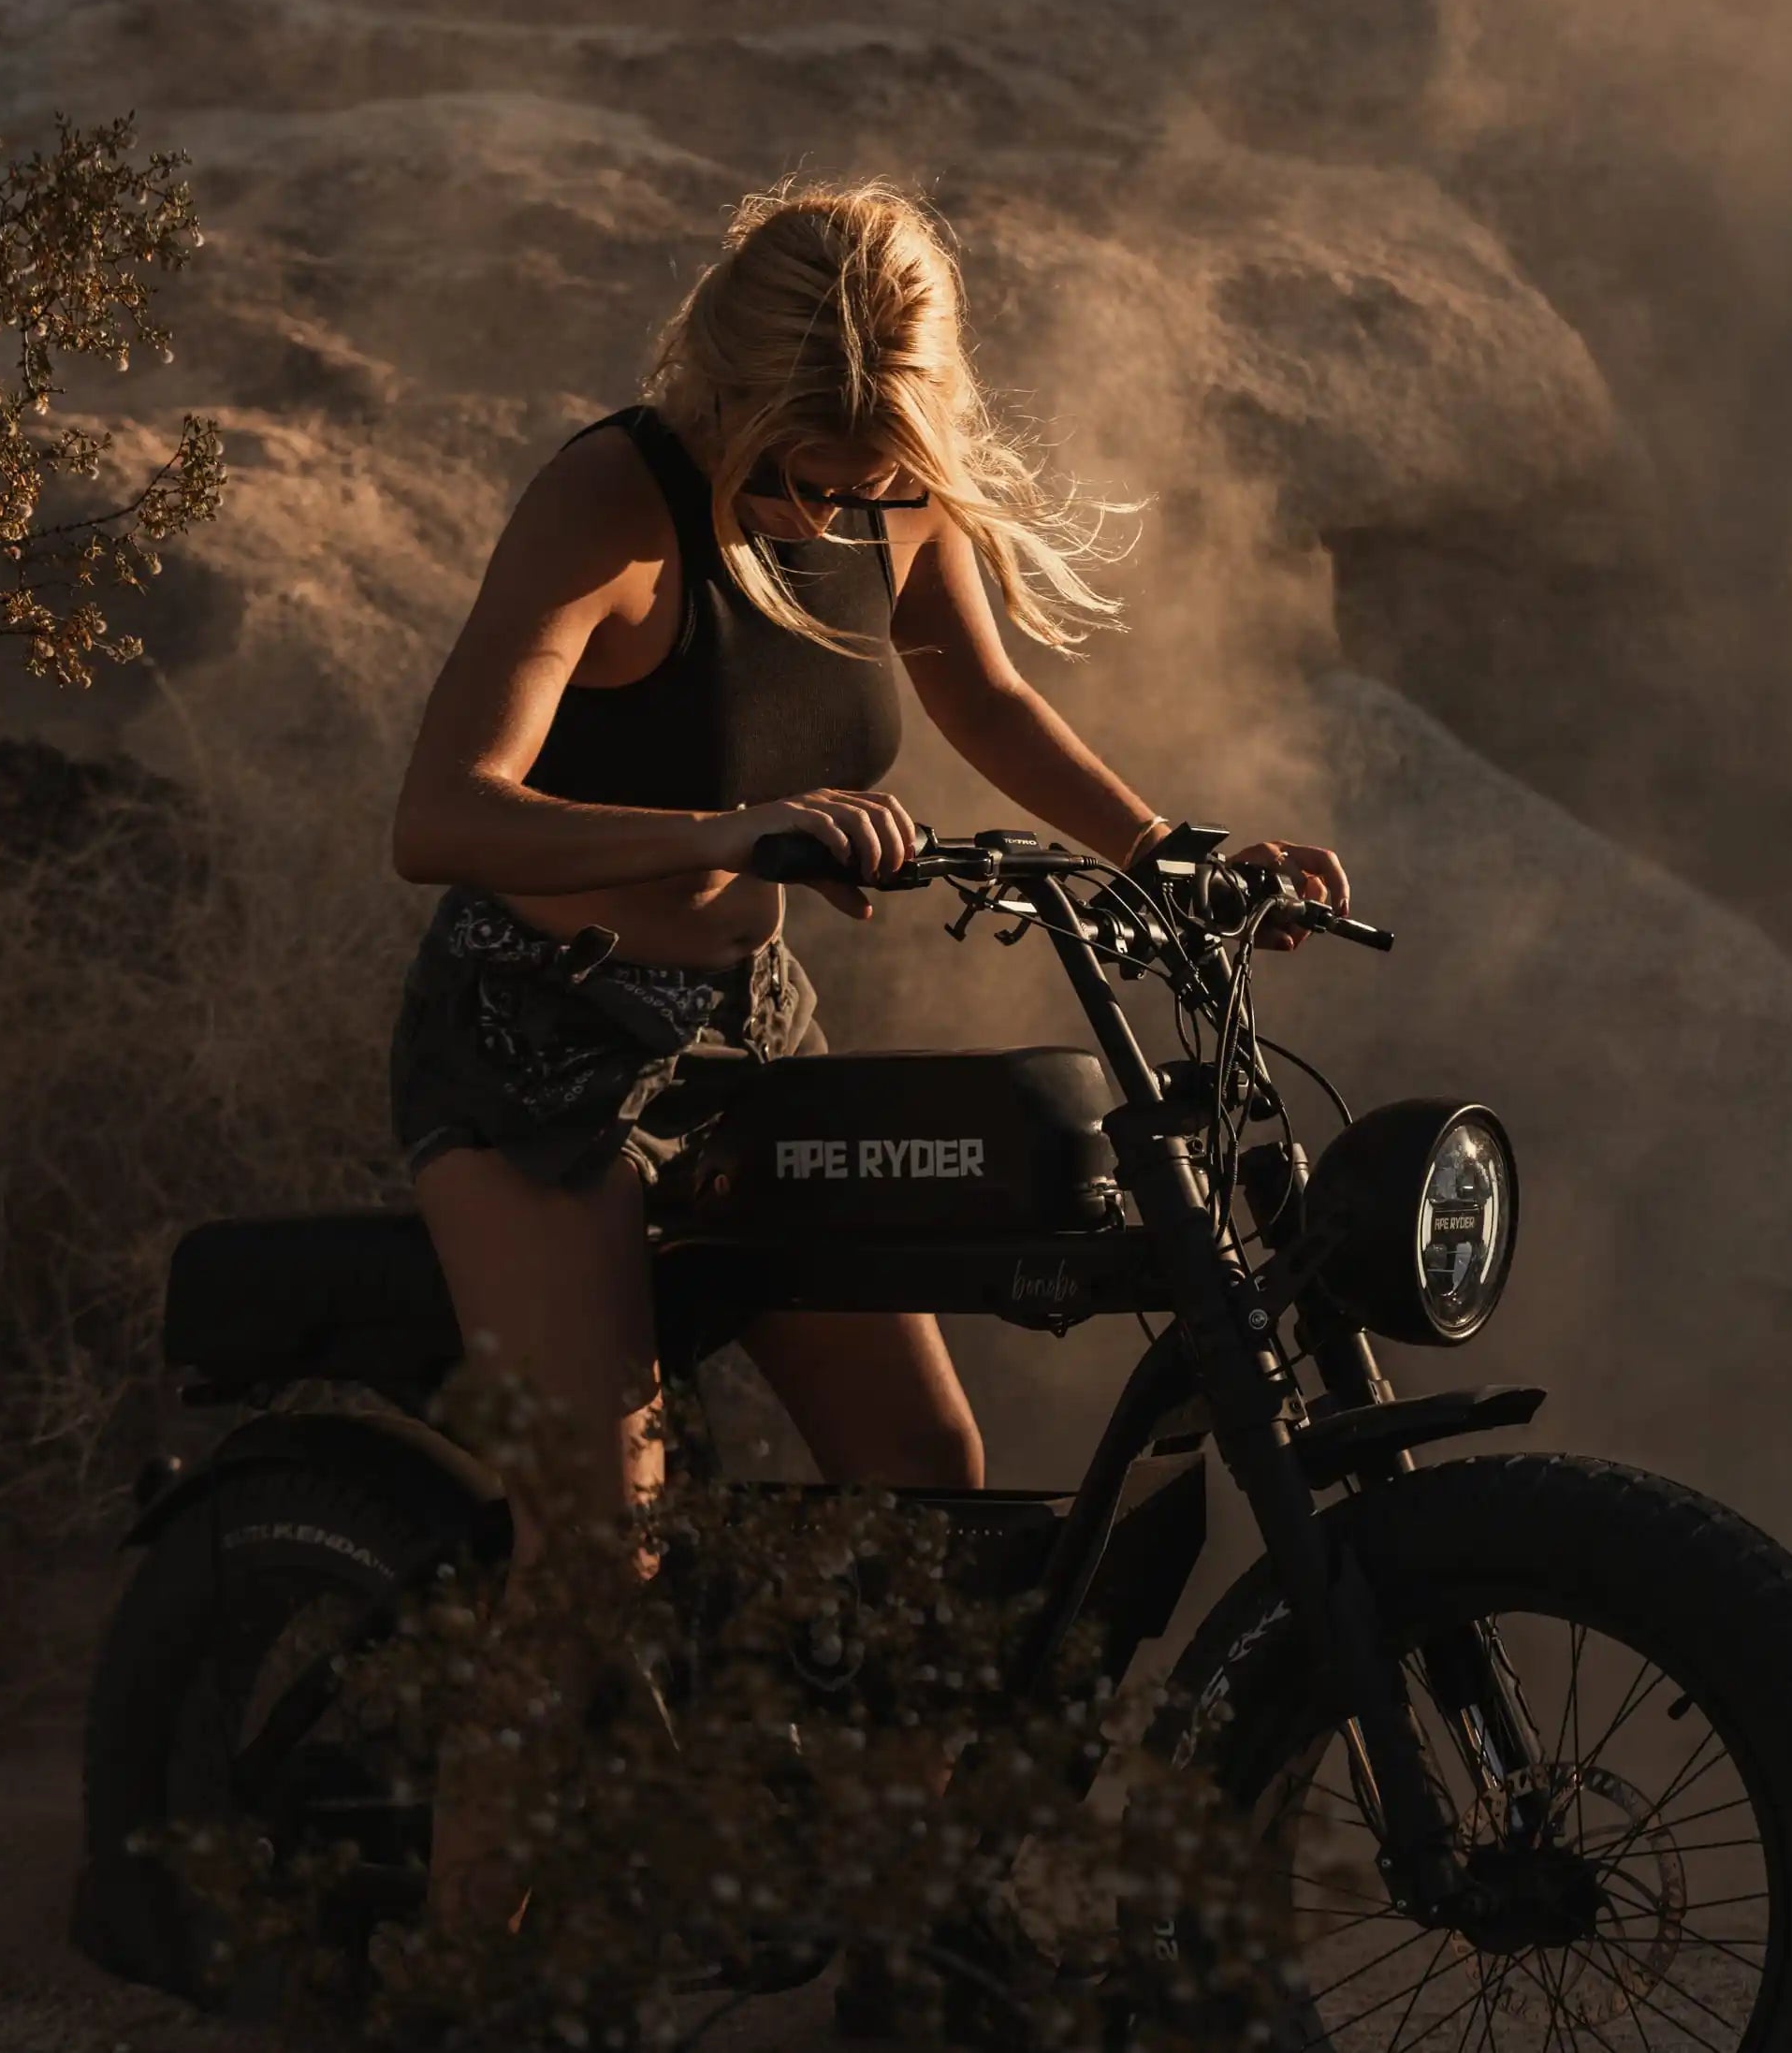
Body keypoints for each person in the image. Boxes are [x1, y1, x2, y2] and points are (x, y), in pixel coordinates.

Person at [387, 174, 1350, 1531]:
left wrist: (1169, 851)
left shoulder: (889, 495)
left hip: (755, 1031)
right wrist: (726, 832)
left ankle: (827, 1745)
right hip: (535, 1049)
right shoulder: (610, 501)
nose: (829, 507)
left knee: (922, 1470)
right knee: (606, 1545)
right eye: (798, 474)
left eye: (874, 482)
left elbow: (991, 701)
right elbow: (439, 817)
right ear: (722, 392)